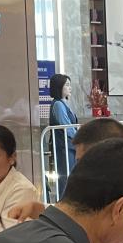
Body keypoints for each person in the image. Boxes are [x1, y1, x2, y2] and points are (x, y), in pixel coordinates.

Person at [48, 73, 78, 201]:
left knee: (70, 178)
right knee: (66, 178)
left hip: (69, 146)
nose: (70, 88)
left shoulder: (63, 103)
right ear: (59, 87)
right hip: (64, 147)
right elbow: (67, 127)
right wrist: (80, 138)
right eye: (67, 85)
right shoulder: (58, 105)